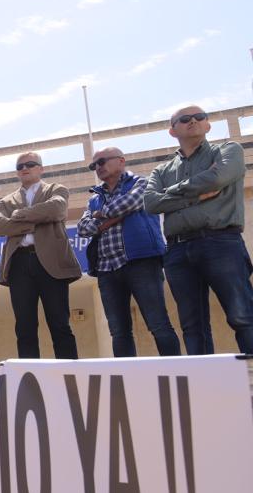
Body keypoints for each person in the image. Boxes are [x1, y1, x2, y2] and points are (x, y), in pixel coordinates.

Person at [143, 105, 253, 354]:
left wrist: (172, 193)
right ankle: (203, 378)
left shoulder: (228, 150)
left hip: (221, 242)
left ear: (207, 124)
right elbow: (151, 203)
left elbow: (217, 178)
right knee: (192, 326)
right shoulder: (161, 170)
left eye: (199, 117)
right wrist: (195, 195)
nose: (193, 121)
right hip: (177, 251)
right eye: (184, 119)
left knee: (242, 315)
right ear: (172, 131)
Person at [77, 147, 180, 357]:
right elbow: (83, 228)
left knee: (158, 324)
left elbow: (130, 202)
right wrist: (109, 218)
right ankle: (126, 376)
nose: (98, 167)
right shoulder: (94, 199)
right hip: (106, 269)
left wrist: (100, 216)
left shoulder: (142, 183)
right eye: (94, 165)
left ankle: (175, 371)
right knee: (119, 332)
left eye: (102, 161)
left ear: (121, 161)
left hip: (141, 262)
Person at [0, 153, 81, 359]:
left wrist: (19, 216)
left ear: (41, 168)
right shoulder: (7, 200)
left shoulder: (56, 189)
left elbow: (57, 209)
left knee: (59, 323)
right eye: (20, 166)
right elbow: (0, 226)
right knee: (24, 327)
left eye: (30, 164)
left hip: (51, 262)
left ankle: (68, 371)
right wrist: (38, 220)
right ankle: (28, 372)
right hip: (19, 263)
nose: (25, 168)